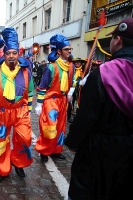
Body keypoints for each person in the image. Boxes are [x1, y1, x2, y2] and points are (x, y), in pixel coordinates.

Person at [64, 17, 133, 200]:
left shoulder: (105, 73)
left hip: (99, 151)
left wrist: (72, 142)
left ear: (118, 40)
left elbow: (86, 116)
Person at [0, 27, 34, 183]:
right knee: (0, 142)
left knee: (25, 139)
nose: (11, 56)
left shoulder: (26, 71)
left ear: (18, 54)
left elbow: (30, 92)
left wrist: (30, 110)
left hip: (20, 112)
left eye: (14, 53)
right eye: (8, 53)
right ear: (3, 55)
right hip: (1, 114)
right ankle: (2, 168)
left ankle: (18, 161)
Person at [34, 34, 76, 163]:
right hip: (51, 101)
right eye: (66, 49)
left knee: (60, 127)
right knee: (49, 127)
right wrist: (39, 104)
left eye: (70, 49)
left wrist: (71, 92)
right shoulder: (51, 67)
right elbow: (42, 87)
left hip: (63, 100)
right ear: (59, 51)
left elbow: (72, 82)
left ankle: (56, 150)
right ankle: (44, 150)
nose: (69, 51)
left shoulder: (71, 66)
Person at [66, 57, 86, 123]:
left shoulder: (83, 71)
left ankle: (77, 117)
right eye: (76, 62)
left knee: (78, 104)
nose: (77, 63)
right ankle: (69, 117)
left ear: (81, 63)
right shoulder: (71, 70)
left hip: (79, 91)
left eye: (79, 62)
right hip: (71, 90)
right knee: (69, 103)